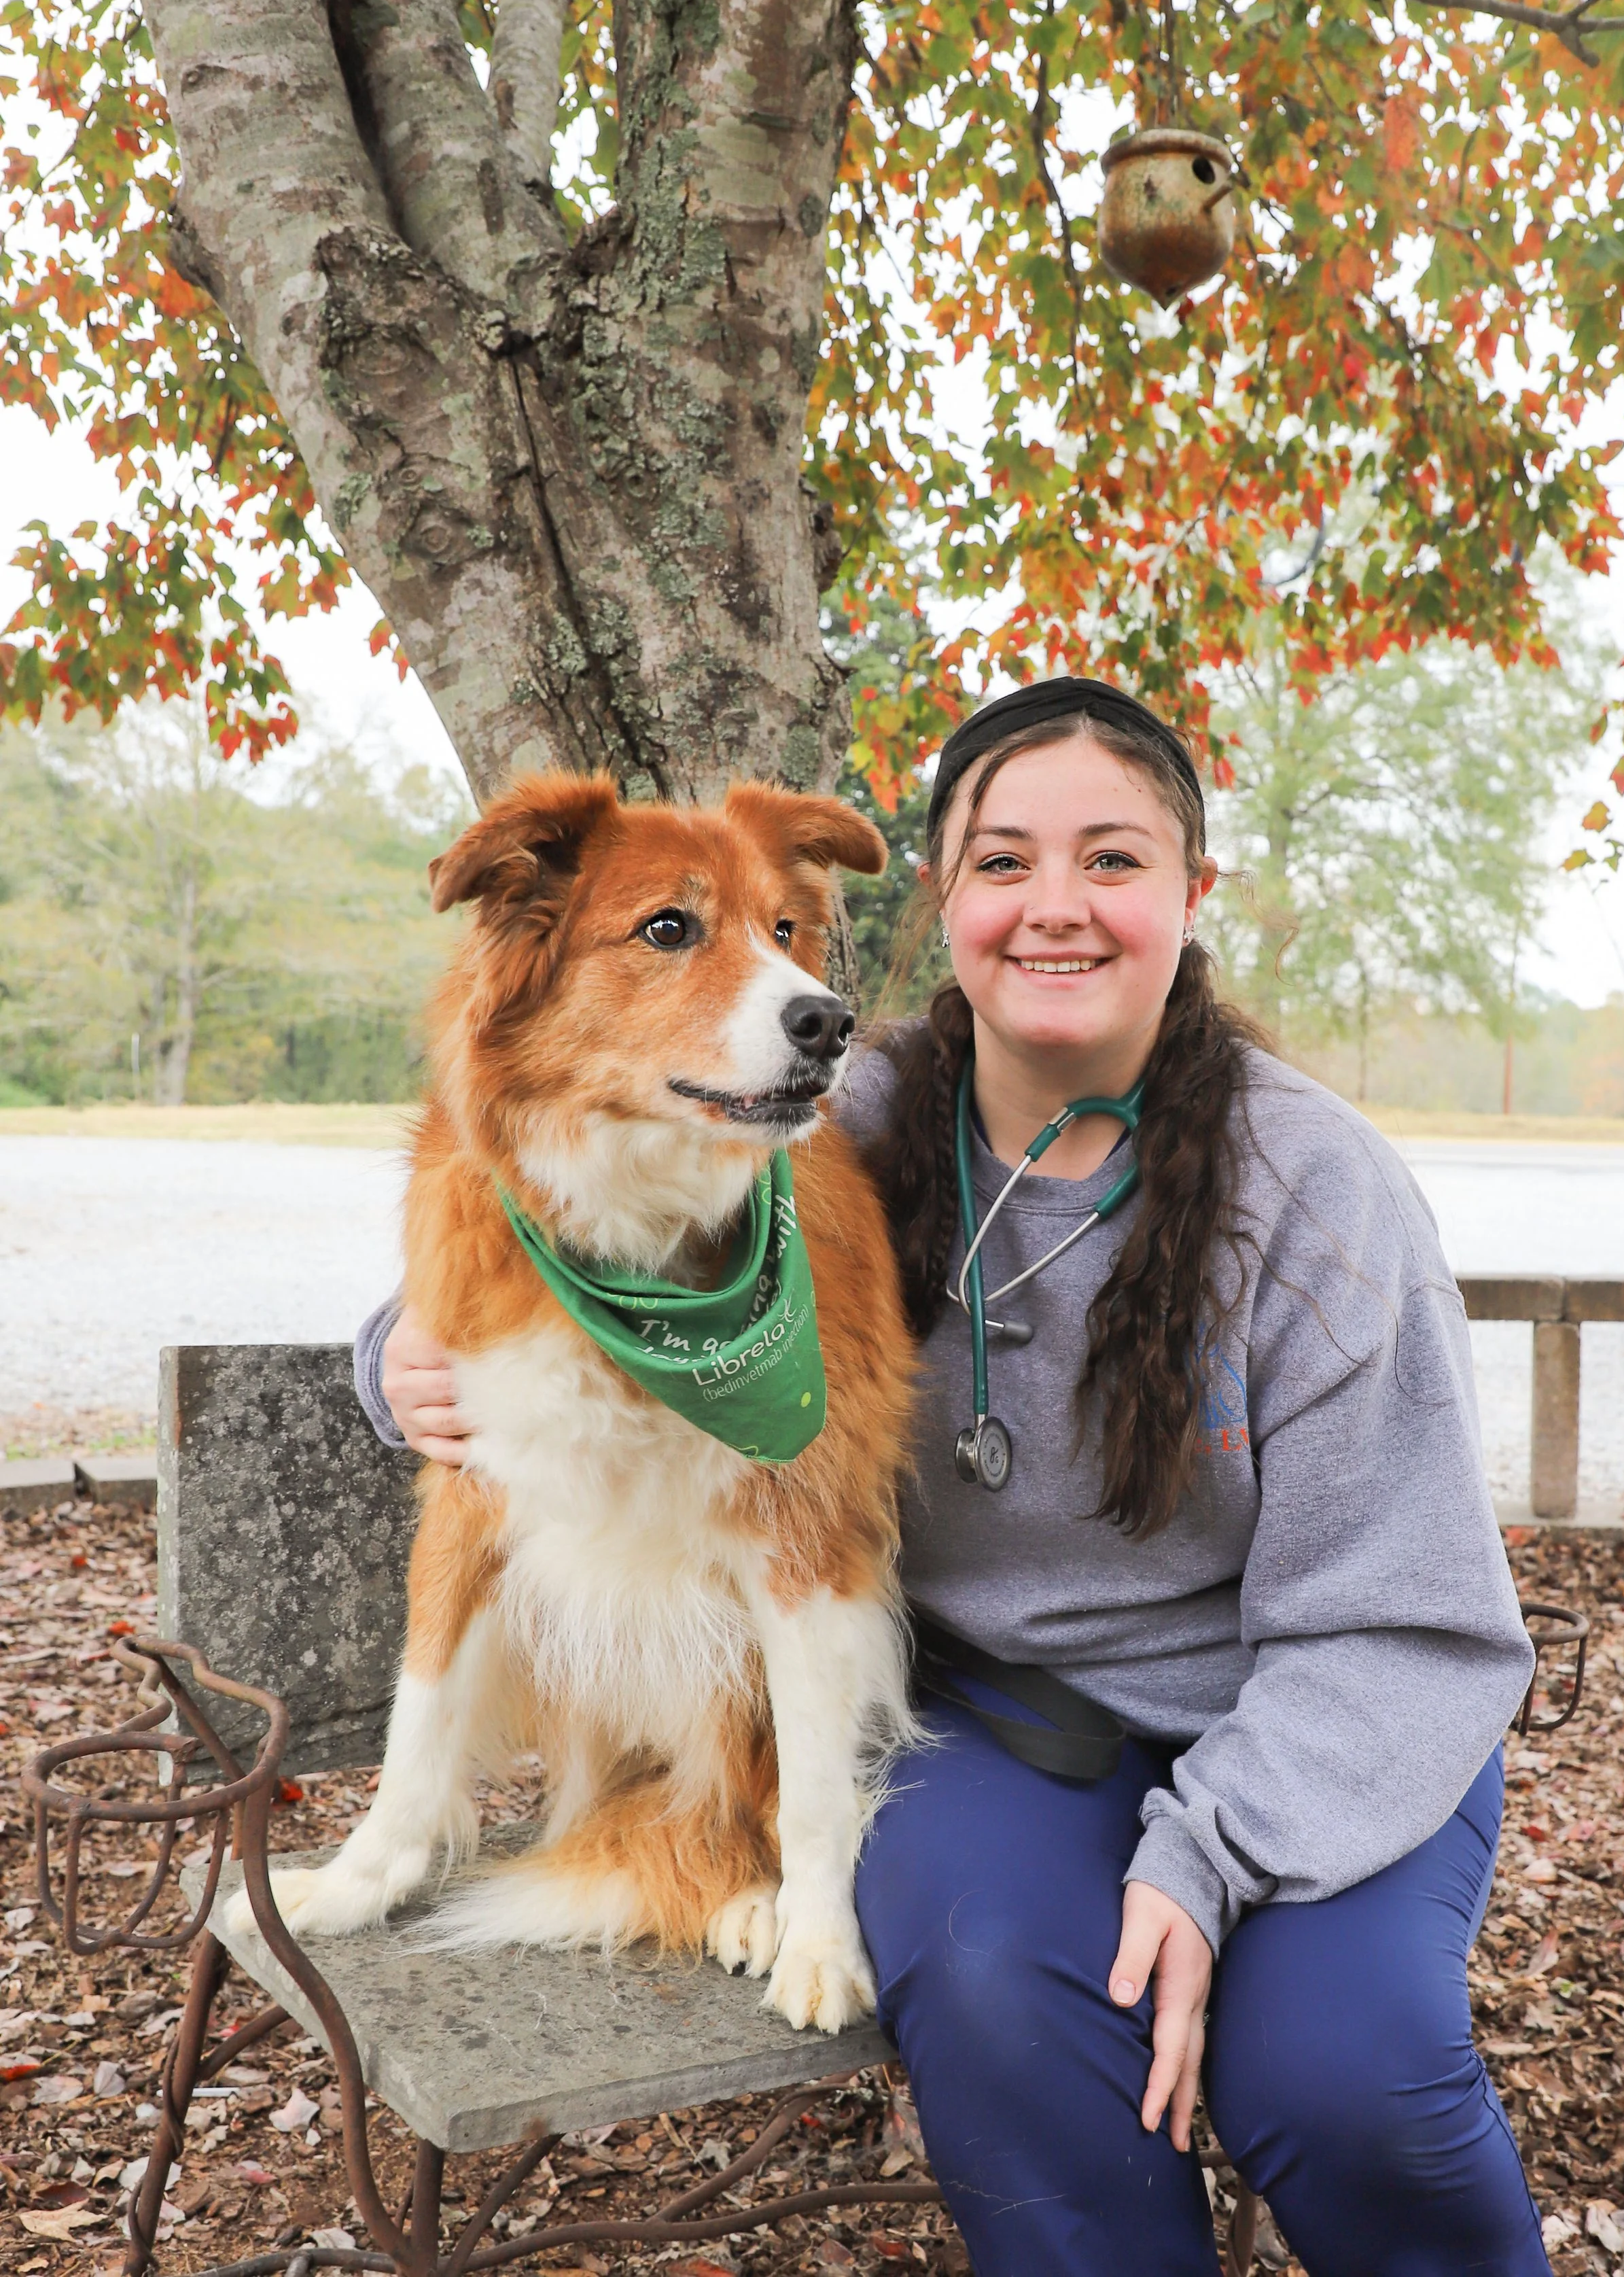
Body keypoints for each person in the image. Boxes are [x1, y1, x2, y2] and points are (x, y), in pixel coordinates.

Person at [354, 678, 1550, 2277]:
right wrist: (397, 1355)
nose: (1053, 904)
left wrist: (1202, 1857)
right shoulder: (820, 1108)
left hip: (1320, 1720)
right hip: (991, 1720)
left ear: (1191, 897)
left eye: (1111, 860)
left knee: (1341, 2087)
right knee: (994, 1998)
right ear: (945, 902)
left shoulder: (1318, 1192)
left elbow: (1407, 1624)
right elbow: (545, 1207)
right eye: (1001, 862)